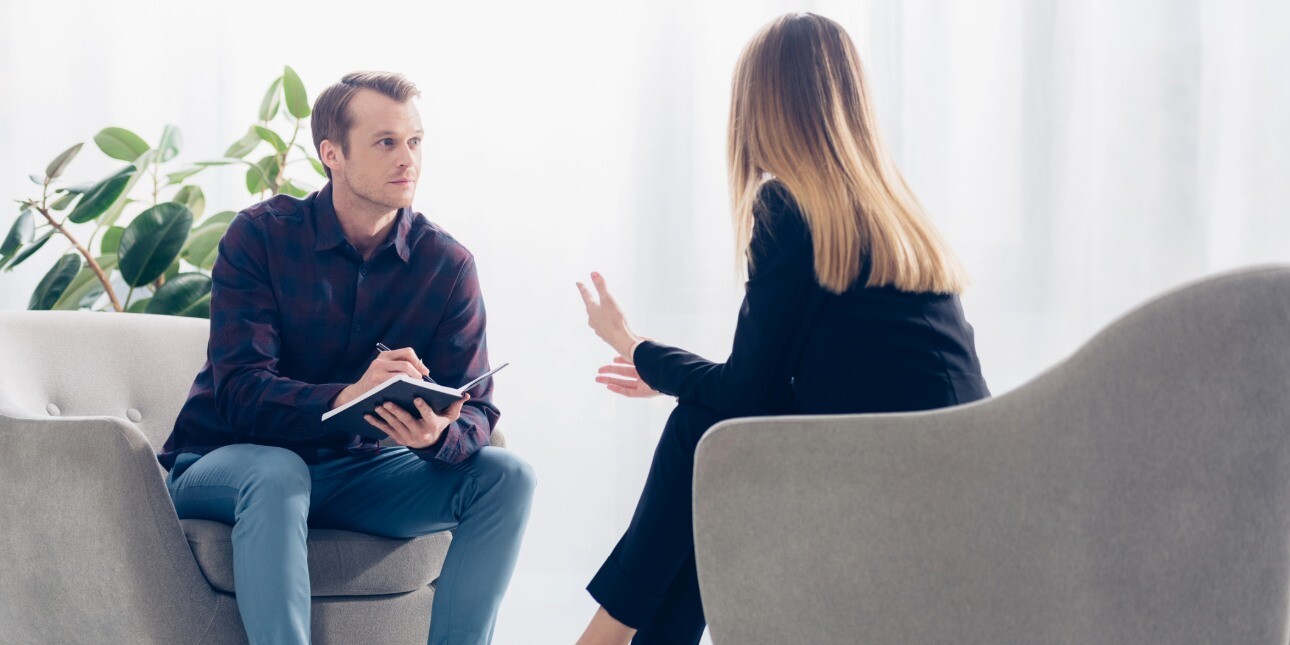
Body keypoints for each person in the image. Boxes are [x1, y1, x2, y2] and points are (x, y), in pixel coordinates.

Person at [574, 13, 990, 645]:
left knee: (703, 429)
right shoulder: (891, 214)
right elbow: (785, 391)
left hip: (894, 483)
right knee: (713, 439)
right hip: (962, 472)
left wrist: (637, 348)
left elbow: (748, 394)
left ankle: (606, 635)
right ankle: (621, 636)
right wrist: (663, 370)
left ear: (761, 106)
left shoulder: (787, 207)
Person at [157, 71, 535, 645]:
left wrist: (436, 435)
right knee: (278, 471)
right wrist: (346, 396)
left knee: (508, 475)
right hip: (228, 462)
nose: (407, 158)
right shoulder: (259, 238)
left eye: (414, 141)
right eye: (386, 142)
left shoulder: (447, 264)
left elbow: (477, 407)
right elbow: (239, 392)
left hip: (356, 472)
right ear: (331, 153)